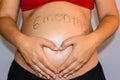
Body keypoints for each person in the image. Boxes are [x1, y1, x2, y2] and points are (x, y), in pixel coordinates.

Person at [0, 0, 119, 80]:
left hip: (85, 72)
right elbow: (4, 16)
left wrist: (92, 41)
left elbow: (110, 15)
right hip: (28, 70)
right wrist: (21, 42)